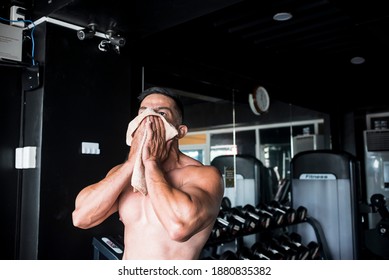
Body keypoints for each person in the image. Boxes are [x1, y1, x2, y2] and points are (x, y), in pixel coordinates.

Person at [72, 87, 224, 260]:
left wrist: (151, 161)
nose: (148, 120)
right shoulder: (128, 173)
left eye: (162, 114)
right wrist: (131, 162)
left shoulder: (205, 175)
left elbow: (178, 227)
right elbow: (81, 218)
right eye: (143, 113)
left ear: (180, 131)